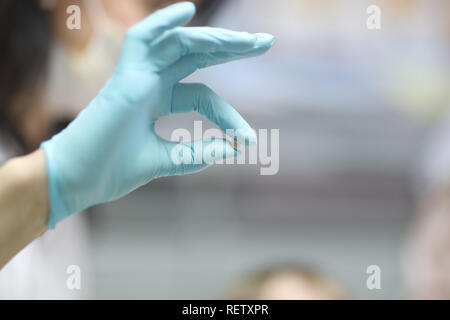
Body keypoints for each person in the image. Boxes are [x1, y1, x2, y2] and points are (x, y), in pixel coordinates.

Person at [0, 1, 274, 274]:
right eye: (154, 3)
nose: (163, 36)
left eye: (188, 19)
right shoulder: (56, 176)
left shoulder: (73, 209)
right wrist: (45, 187)